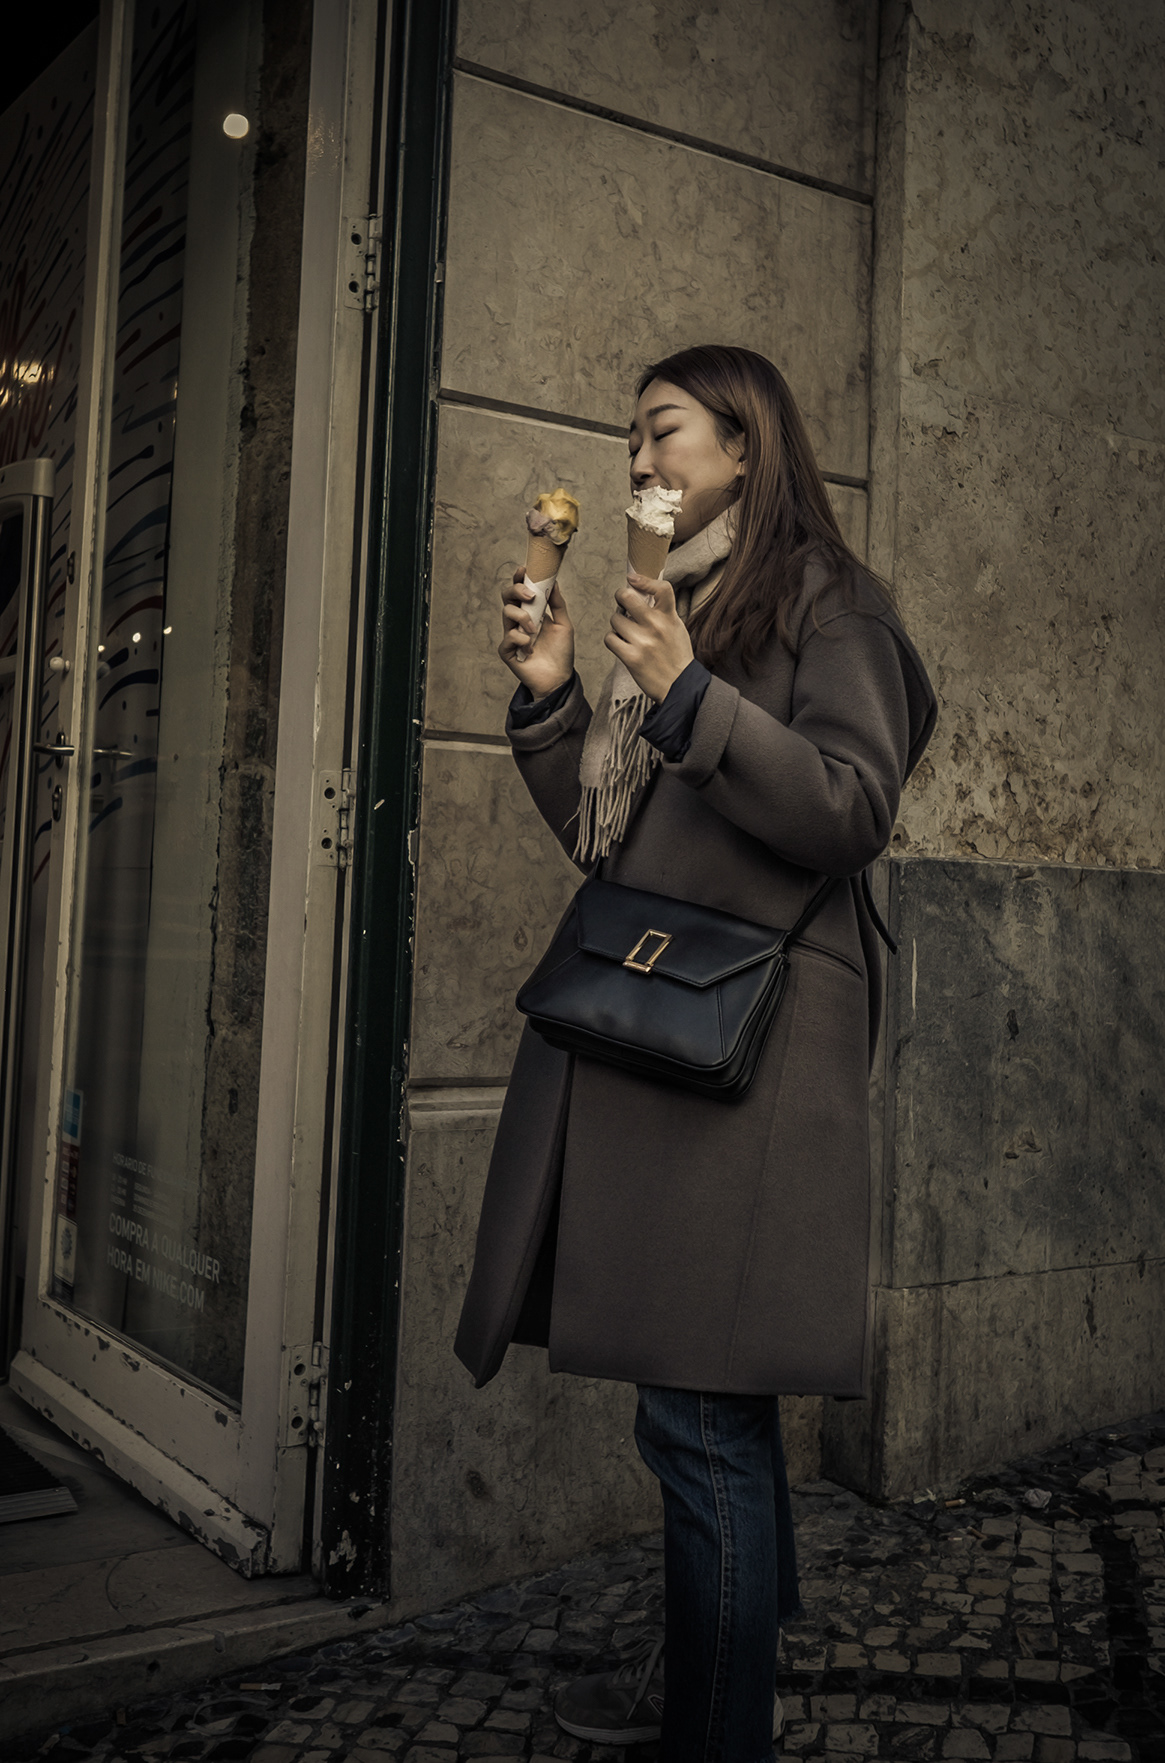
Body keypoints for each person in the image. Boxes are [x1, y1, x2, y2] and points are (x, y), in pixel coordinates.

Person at [454, 344, 937, 1763]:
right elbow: (613, 844)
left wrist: (683, 694)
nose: (637, 462)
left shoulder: (829, 602)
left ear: (744, 445)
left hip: (756, 1055)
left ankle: (716, 1730)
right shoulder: (679, 601)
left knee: (697, 1418)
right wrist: (554, 696)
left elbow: (852, 807)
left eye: (661, 431)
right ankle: (713, 1678)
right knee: (708, 1403)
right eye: (630, 441)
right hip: (668, 1033)